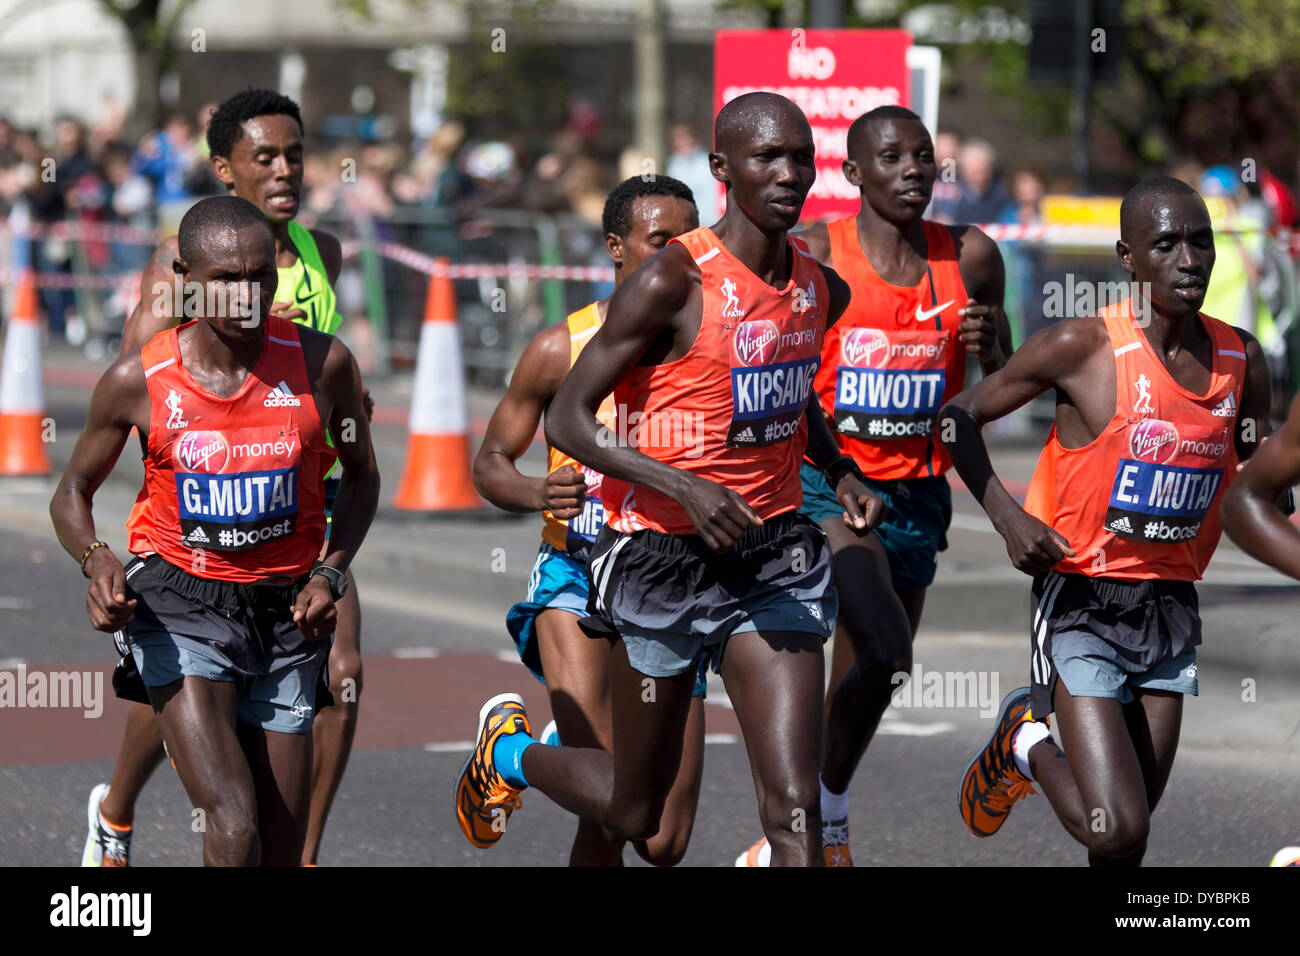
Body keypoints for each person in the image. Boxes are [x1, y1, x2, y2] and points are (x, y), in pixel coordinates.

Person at [454, 91, 885, 867]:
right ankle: (512, 756)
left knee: (794, 814)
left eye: (800, 157)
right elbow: (570, 422)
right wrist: (681, 484)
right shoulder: (671, 283)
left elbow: (791, 391)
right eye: (767, 158)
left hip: (771, 558)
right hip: (659, 562)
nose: (789, 173)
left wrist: (839, 465)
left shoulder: (820, 287)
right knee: (639, 816)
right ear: (722, 168)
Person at [938, 176, 1270, 865]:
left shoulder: (1243, 360)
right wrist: (1006, 517)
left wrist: (1273, 495)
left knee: (1125, 834)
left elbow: (1258, 482)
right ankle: (1026, 741)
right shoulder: (1082, 347)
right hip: (1081, 599)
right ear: (1128, 257)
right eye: (1167, 244)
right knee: (1114, 826)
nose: (1189, 260)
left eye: (1201, 242)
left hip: (1170, 604)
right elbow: (956, 417)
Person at [84, 89, 368, 867]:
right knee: (199, 718)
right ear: (226, 169)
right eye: (265, 157)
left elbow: (326, 367)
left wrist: (338, 402)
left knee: (342, 673)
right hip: (196, 524)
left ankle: (297, 851)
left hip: (310, 483)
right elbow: (141, 372)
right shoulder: (179, 273)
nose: (285, 171)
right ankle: (118, 807)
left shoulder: (321, 252)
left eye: (296, 154)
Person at [737, 105, 1012, 866]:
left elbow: (1006, 384)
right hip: (832, 482)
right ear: (855, 174)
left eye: (923, 156)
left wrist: (990, 351)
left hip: (920, 493)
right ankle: (815, 827)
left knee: (871, 673)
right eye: (891, 158)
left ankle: (800, 827)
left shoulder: (972, 257)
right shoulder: (819, 253)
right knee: (889, 651)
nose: (913, 170)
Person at [473, 174, 705, 866]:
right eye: (663, 241)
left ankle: (511, 754)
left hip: (674, 582)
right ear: (615, 247)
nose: (683, 258)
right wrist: (538, 493)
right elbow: (489, 462)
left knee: (660, 836)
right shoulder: (559, 349)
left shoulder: (713, 349)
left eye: (694, 241)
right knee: (607, 805)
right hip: (577, 577)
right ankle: (516, 750)